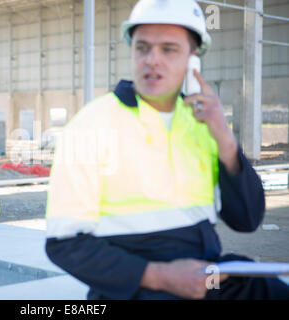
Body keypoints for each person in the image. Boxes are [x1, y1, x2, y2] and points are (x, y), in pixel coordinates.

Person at [45, 0, 289, 300]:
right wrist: (160, 277)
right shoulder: (90, 125)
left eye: (169, 49)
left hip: (205, 279)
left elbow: (247, 219)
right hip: (139, 287)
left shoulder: (203, 124)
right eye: (143, 47)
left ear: (193, 58)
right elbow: (63, 243)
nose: (152, 60)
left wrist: (225, 138)